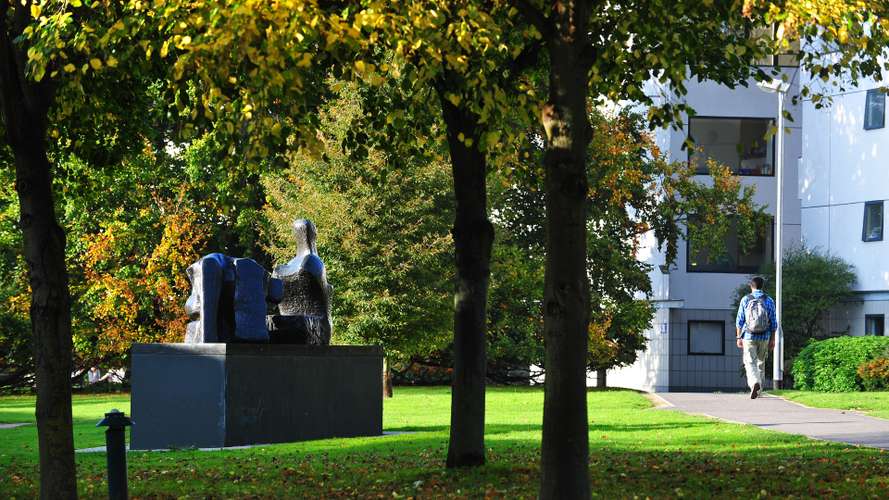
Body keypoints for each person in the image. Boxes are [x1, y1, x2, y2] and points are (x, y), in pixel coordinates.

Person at [735, 276, 777, 399]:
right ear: (762, 286)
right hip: (764, 336)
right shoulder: (769, 300)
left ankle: (754, 383)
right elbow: (773, 322)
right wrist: (773, 339)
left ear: (751, 286)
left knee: (749, 362)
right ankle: (759, 391)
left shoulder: (746, 299)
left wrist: (738, 337)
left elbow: (739, 321)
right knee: (760, 362)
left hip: (749, 335)